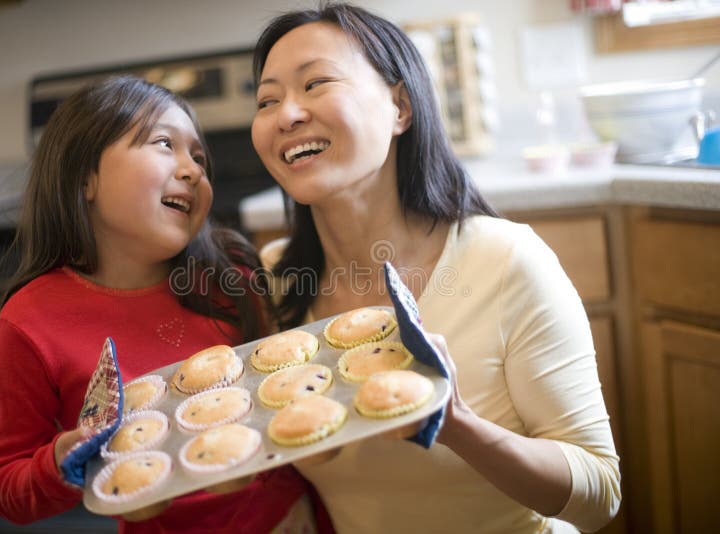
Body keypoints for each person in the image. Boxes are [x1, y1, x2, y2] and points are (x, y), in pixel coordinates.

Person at [250, 3, 621, 533]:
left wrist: (459, 426)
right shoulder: (274, 279)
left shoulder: (504, 259)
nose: (286, 115)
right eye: (267, 99)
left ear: (399, 107)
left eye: (316, 84)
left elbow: (599, 494)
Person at [0, 75, 323, 533]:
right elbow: (6, 485)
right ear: (85, 178)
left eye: (199, 157)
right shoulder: (31, 321)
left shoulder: (230, 278)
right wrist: (61, 460)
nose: (192, 170)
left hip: (290, 521)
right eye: (165, 143)